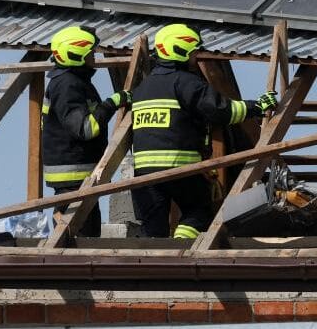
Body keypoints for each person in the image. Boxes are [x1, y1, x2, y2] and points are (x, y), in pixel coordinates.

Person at [129, 23, 278, 240]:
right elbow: (222, 111)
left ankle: (154, 266)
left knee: (153, 226)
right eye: (193, 52)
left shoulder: (142, 89)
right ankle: (181, 247)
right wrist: (258, 106)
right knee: (198, 211)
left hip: (143, 173)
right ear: (180, 51)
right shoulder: (187, 82)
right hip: (179, 168)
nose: (195, 58)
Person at [42, 25, 129, 237]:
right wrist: (111, 103)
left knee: (86, 236)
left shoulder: (72, 81)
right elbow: (85, 129)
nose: (94, 57)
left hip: (78, 179)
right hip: (73, 178)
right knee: (82, 240)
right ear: (77, 54)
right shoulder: (67, 85)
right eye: (90, 52)